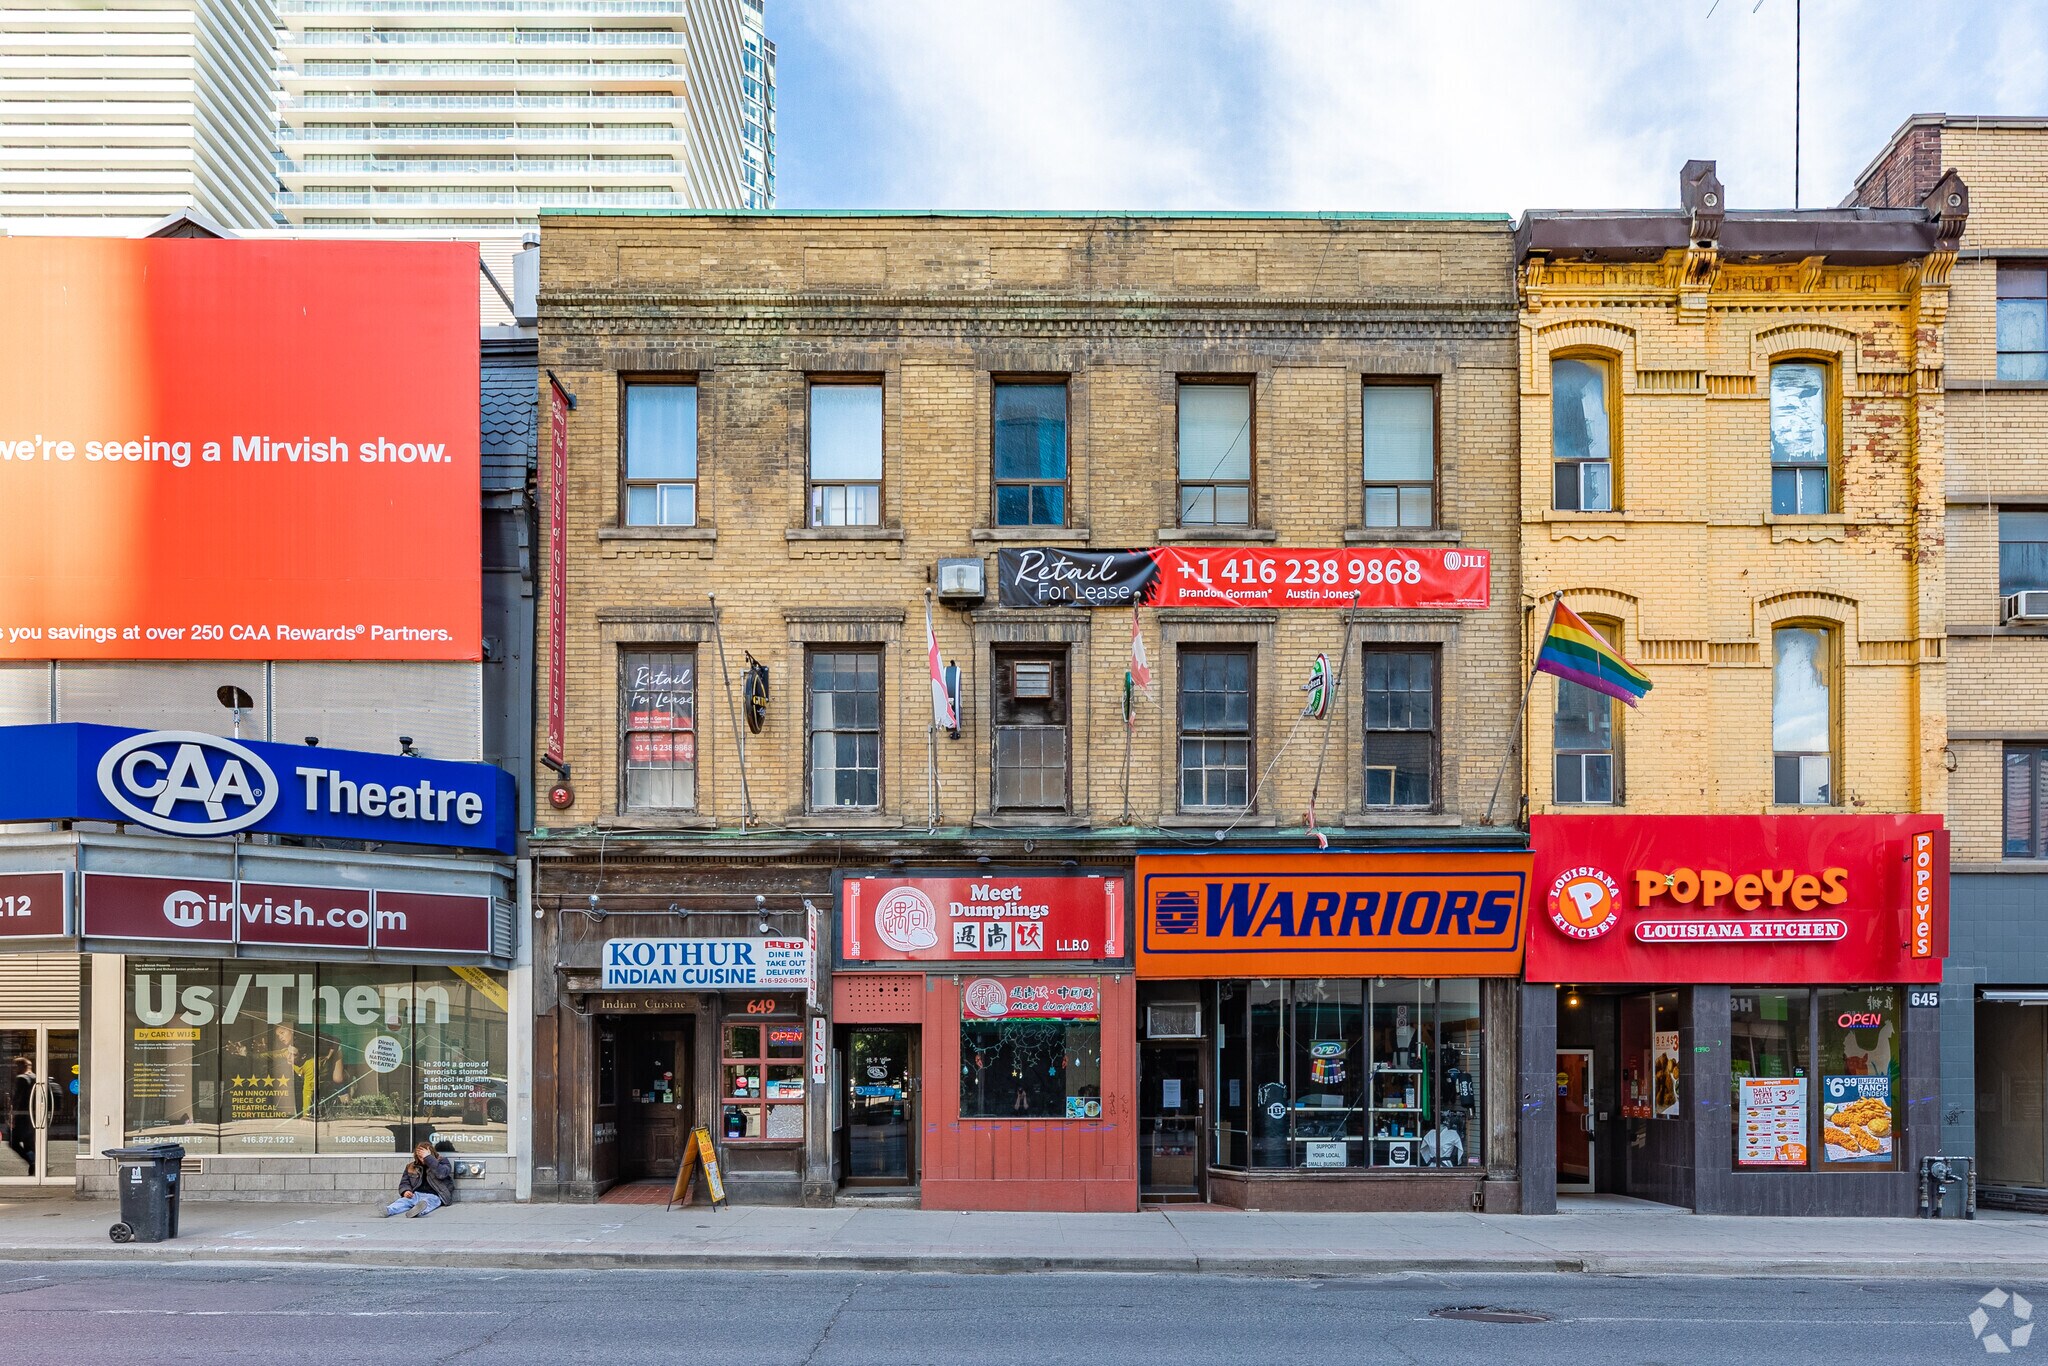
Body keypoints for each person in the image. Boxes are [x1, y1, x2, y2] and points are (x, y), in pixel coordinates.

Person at [384, 1142, 453, 1218]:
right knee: (403, 1201)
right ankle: (388, 1210)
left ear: (431, 1154)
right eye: (420, 1157)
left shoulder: (442, 1161)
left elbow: (441, 1174)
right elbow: (404, 1182)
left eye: (424, 1156)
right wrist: (405, 1191)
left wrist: (429, 1158)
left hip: (435, 1195)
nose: (423, 1159)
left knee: (428, 1202)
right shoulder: (411, 1166)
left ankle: (418, 1212)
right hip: (416, 1194)